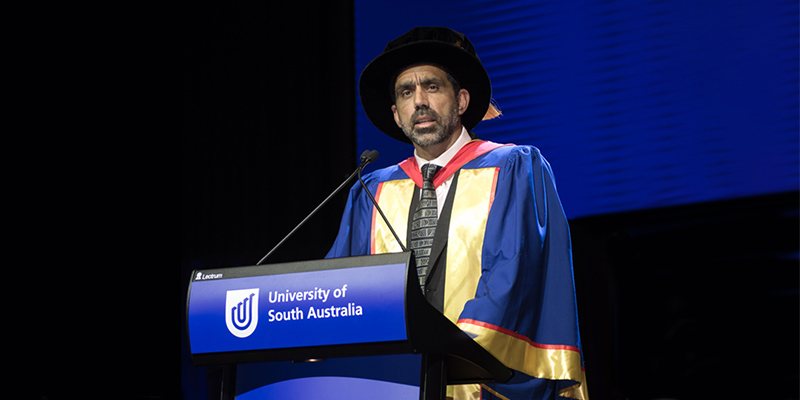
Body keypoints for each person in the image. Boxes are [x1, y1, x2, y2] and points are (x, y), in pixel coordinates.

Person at [327, 27, 588, 400]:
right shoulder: (371, 192)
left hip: (483, 383)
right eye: (406, 92)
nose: (419, 101)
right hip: (392, 385)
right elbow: (343, 290)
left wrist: (450, 359)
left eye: (431, 87)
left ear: (461, 100)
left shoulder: (512, 167)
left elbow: (513, 273)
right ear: (396, 116)